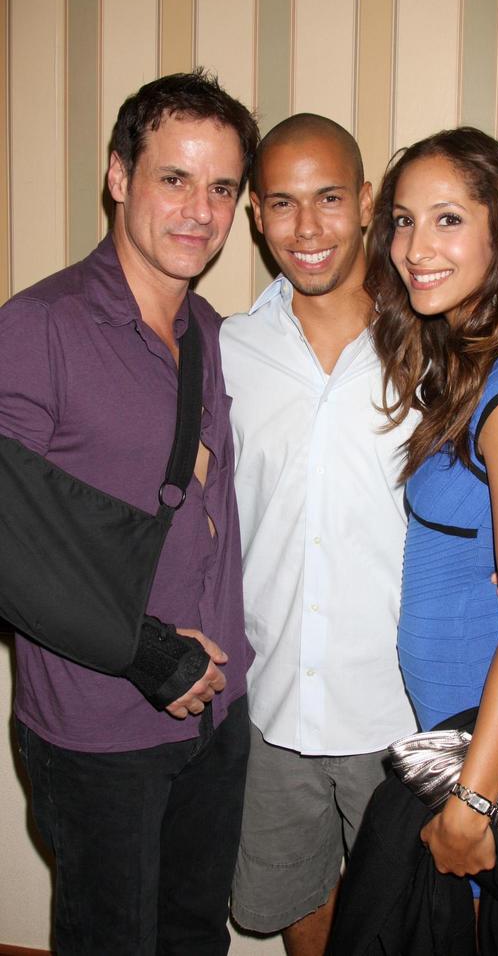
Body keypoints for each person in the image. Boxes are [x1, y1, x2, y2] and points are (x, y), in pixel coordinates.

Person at [0, 70, 258, 955]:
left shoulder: (217, 338)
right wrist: (149, 651)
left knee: (194, 939)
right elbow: (8, 538)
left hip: (220, 718)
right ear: (119, 176)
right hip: (98, 730)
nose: (200, 210)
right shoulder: (39, 329)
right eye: (174, 178)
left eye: (222, 187)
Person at [367, 126, 498, 956]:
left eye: (448, 220)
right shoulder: (468, 361)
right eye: (402, 219)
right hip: (460, 725)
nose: (416, 247)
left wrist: (475, 803)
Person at [220, 114, 419, 955]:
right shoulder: (227, 348)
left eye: (330, 198)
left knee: (411, 927)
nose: (307, 229)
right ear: (257, 217)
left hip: (400, 715)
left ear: (366, 201)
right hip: (273, 707)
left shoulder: (432, 347)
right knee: (302, 912)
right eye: (283, 203)